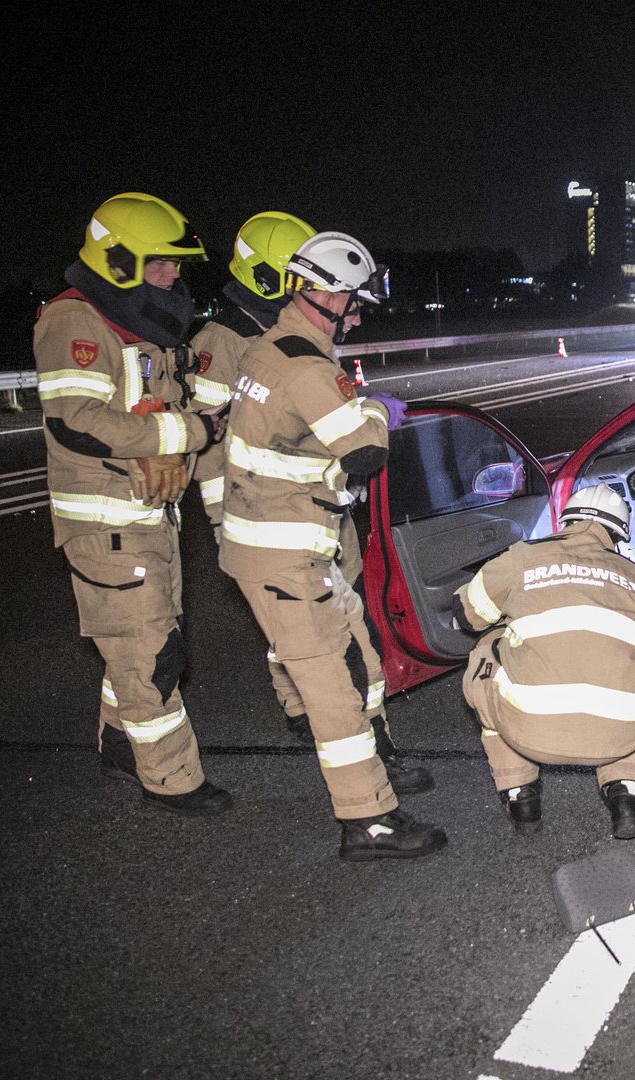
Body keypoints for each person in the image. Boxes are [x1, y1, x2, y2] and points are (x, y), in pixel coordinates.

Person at [218, 230, 444, 861]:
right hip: (284, 554)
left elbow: (301, 436)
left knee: (357, 660)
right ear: (327, 295)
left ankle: (378, 764)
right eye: (355, 304)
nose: (359, 316)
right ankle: (367, 820)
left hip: (288, 547)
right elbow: (365, 451)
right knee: (334, 691)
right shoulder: (305, 366)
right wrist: (376, 411)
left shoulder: (269, 348)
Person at [34, 192, 231, 815]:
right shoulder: (74, 320)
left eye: (176, 262)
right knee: (151, 658)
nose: (173, 273)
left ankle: (121, 747)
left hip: (149, 517)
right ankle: (171, 779)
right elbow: (76, 421)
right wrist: (188, 431)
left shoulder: (137, 323)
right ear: (117, 260)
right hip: (106, 523)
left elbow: (155, 403)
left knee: (139, 647)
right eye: (159, 261)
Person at [457, 485, 635, 840]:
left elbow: (467, 614)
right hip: (619, 734)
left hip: (529, 729)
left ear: (565, 522)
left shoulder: (522, 558)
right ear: (618, 535)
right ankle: (630, 796)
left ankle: (520, 794)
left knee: (485, 654)